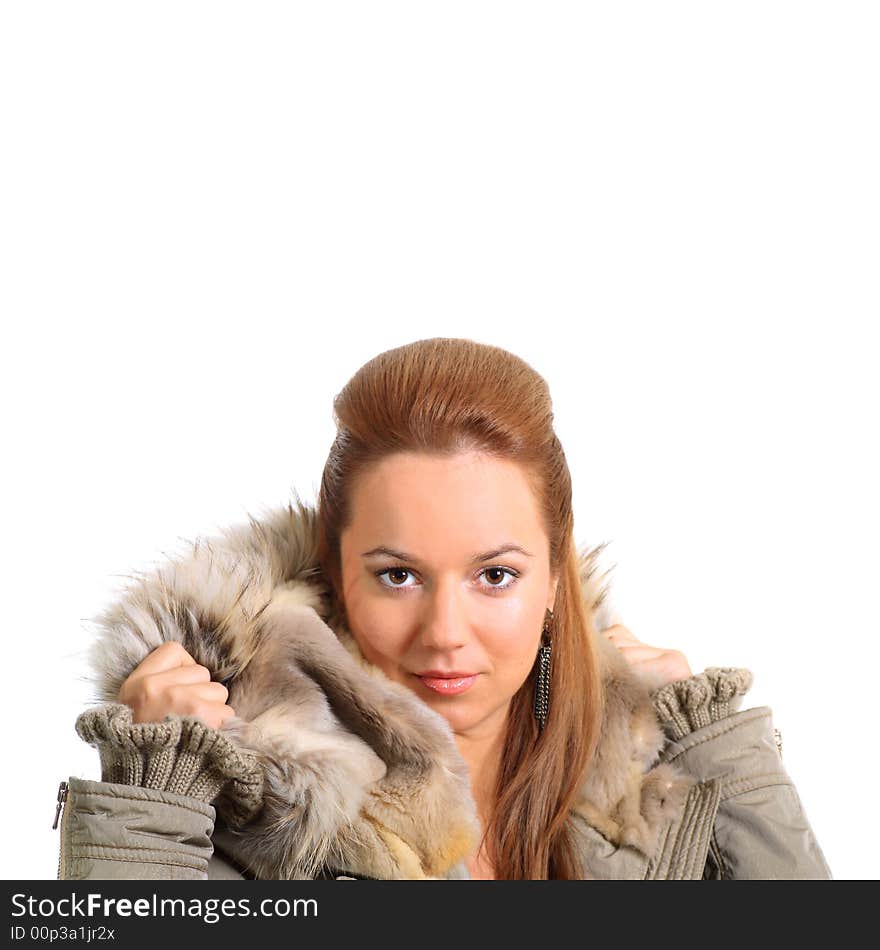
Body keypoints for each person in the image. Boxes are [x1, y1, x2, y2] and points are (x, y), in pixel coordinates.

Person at [58, 337, 831, 880]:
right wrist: (149, 798)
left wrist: (718, 742)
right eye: (399, 576)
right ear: (333, 574)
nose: (445, 636)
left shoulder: (652, 778)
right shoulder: (247, 789)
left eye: (494, 575)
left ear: (556, 582)